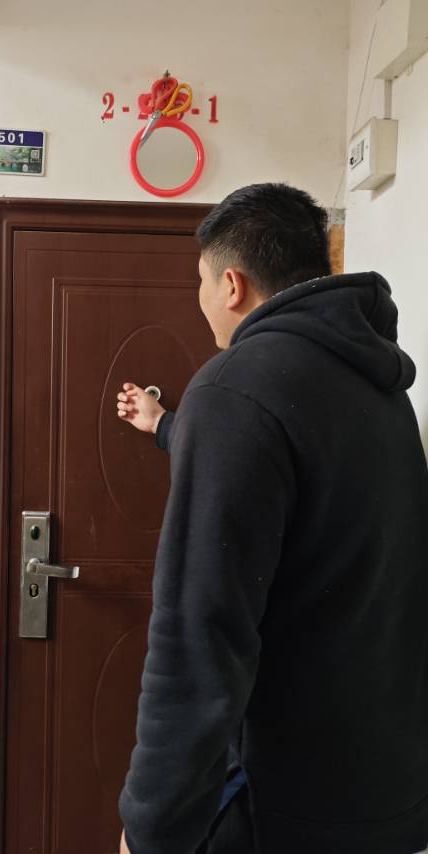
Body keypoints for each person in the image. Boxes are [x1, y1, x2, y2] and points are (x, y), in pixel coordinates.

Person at [114, 183, 428, 854]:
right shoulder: (378, 387)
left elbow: (199, 635)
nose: (200, 298)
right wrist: (169, 426)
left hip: (281, 801)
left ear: (231, 284)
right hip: (385, 793)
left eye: (200, 281)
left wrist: (153, 825)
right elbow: (297, 480)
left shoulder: (233, 389)